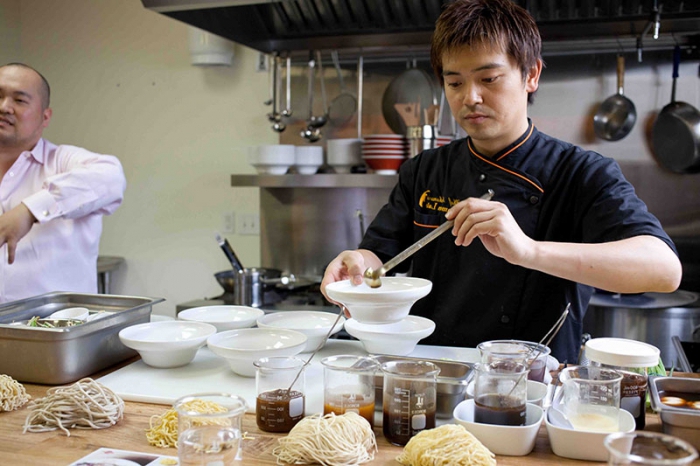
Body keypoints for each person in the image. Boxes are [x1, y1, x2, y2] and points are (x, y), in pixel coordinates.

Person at [320, 0, 681, 363]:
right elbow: (378, 257)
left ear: (531, 75)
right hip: (431, 370)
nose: (470, 97)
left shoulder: (581, 172)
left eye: (488, 79)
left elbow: (663, 269)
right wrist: (353, 261)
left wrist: (528, 251)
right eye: (454, 82)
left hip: (530, 382)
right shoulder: (425, 170)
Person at [0, 63, 126, 303]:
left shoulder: (63, 162)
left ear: (44, 116)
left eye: (19, 100)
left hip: (58, 332)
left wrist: (29, 211)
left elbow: (111, 177)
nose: (4, 107)